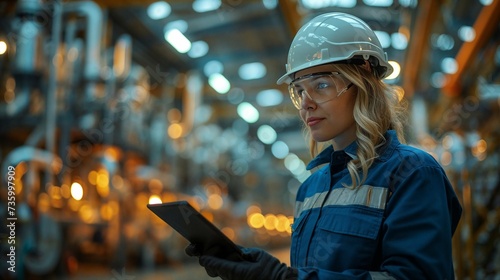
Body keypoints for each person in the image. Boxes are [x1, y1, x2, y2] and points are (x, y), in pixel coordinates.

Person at [186, 12, 462, 279]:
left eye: (321, 84)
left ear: (362, 80)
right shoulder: (311, 188)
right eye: (300, 90)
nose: (306, 102)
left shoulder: (413, 173)